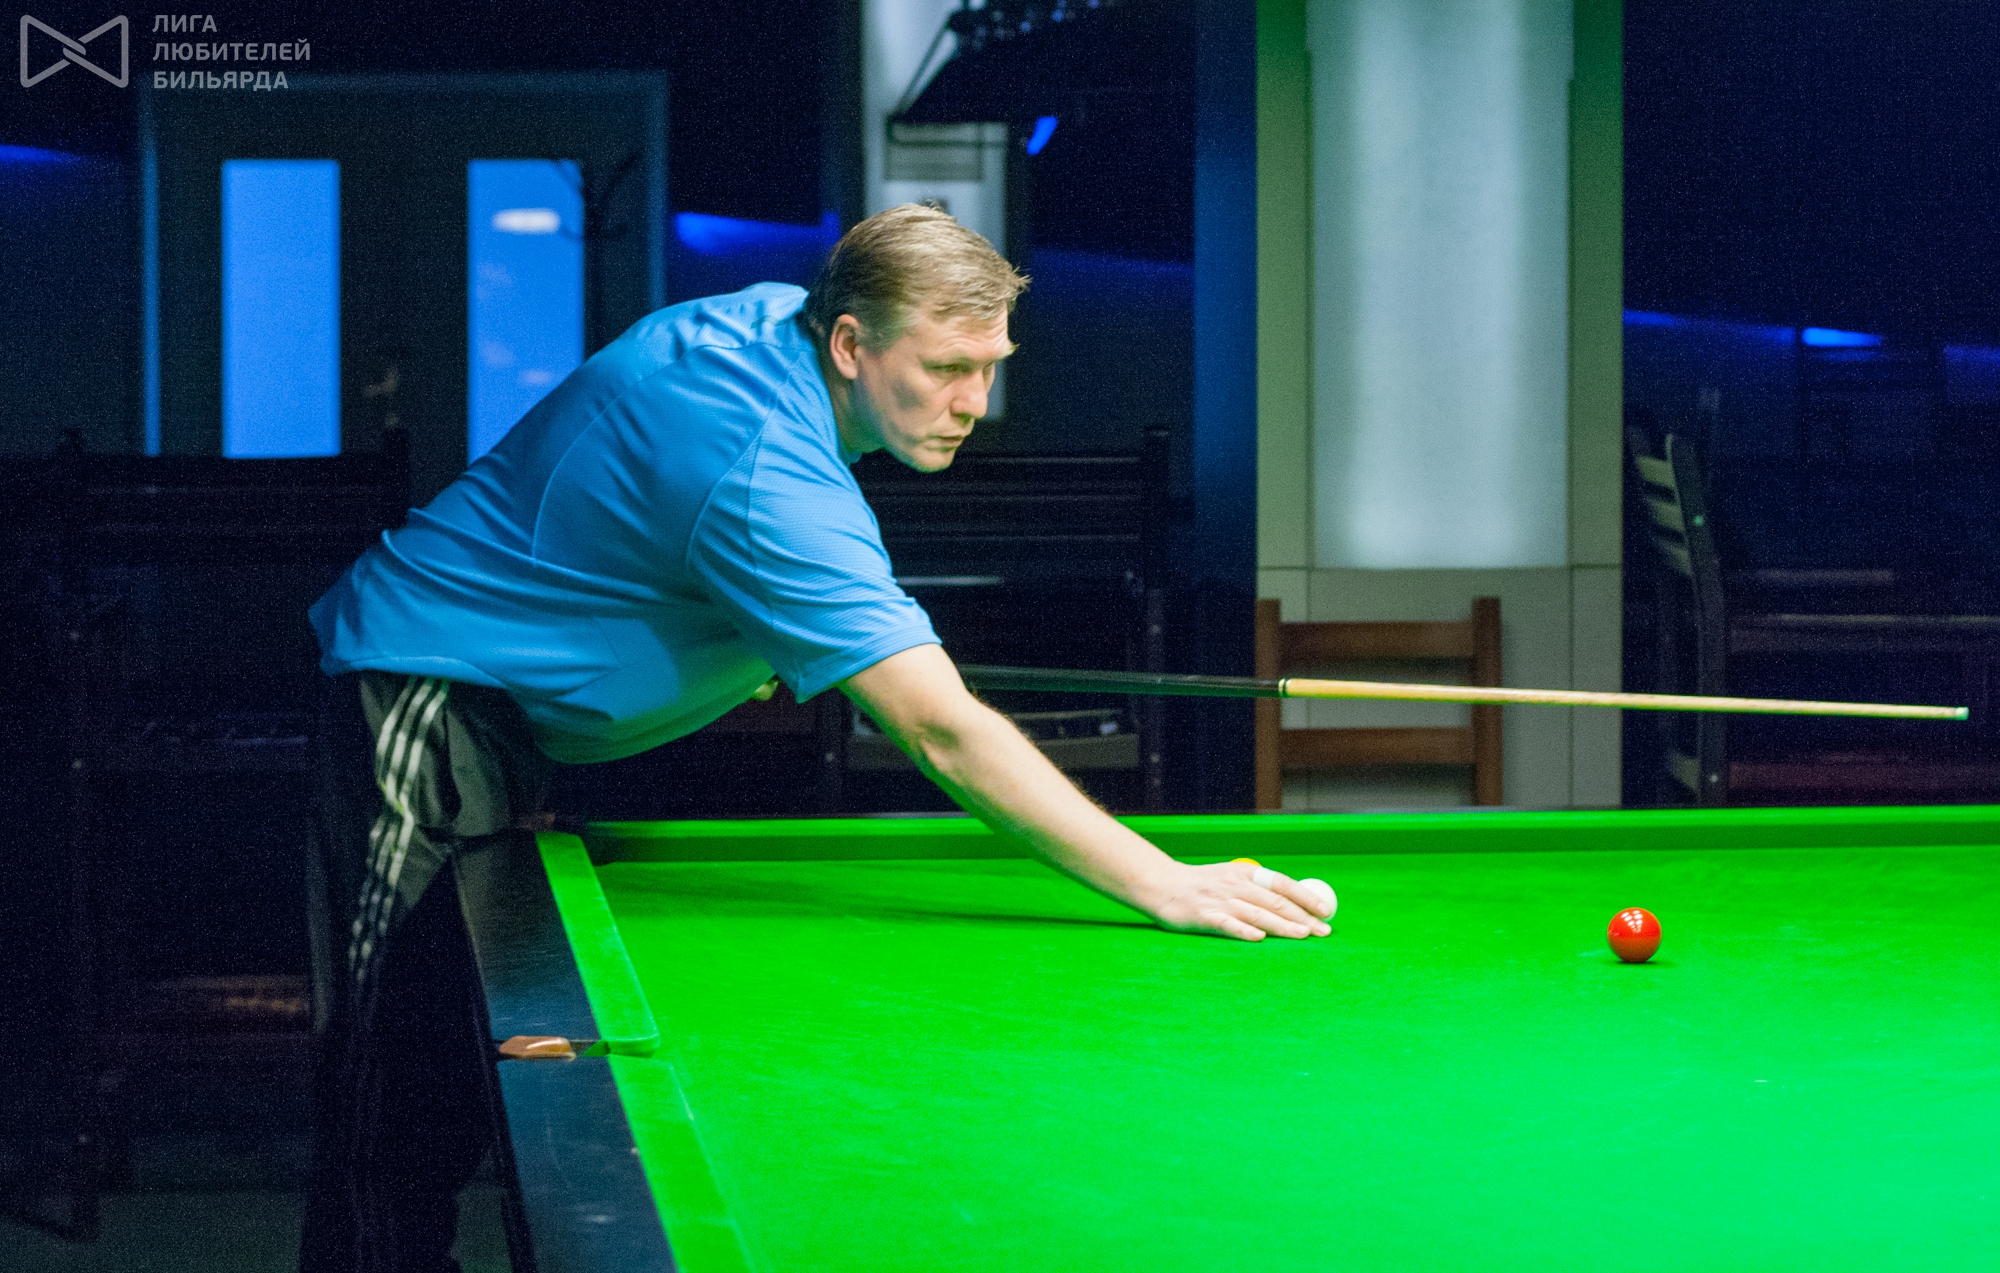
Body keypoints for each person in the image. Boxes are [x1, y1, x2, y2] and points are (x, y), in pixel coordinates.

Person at [297, 203, 1331, 1272]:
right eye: (946, 368)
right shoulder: (760, 463)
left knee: (438, 1089)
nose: (975, 402)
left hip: (500, 721)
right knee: (388, 1097)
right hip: (423, 706)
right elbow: (940, 729)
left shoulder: (772, 328)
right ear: (849, 342)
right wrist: (1162, 881)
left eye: (990, 366)